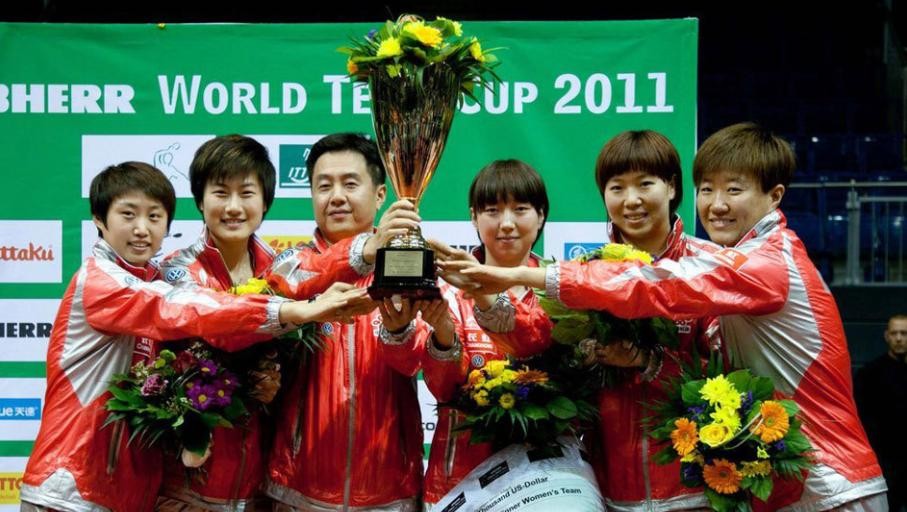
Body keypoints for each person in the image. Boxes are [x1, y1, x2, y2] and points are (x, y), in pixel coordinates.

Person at [442, 123, 888, 510]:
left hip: (705, 490)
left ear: (672, 187)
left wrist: (647, 361)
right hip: (614, 490)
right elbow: (536, 341)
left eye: (645, 184)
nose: (631, 200)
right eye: (617, 187)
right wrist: (488, 297)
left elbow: (721, 378)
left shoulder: (713, 266)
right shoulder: (591, 270)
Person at [19, 162, 365, 512]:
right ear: (98, 218)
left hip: (129, 494)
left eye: (154, 217)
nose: (141, 229)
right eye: (128, 215)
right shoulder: (101, 282)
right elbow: (183, 307)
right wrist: (295, 310)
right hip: (69, 490)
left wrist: (366, 251)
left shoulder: (153, 277)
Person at [264, 133, 426, 511]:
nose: (336, 196)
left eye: (350, 184)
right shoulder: (289, 264)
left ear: (381, 195)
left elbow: (423, 362)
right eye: (324, 186)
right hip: (298, 490)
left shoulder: (407, 265)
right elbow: (288, 285)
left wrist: (401, 331)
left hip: (390, 491)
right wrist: (366, 250)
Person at [380, 159, 552, 506]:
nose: (506, 223)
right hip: (458, 485)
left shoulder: (559, 292)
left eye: (520, 209)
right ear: (474, 217)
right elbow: (441, 388)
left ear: (541, 215)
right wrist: (444, 337)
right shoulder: (447, 290)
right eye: (492, 210)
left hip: (545, 485)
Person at [855, 314, 907, 512]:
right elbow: (862, 418)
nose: (899, 338)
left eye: (904, 333)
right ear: (887, 336)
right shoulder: (869, 374)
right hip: (885, 463)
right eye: (894, 333)